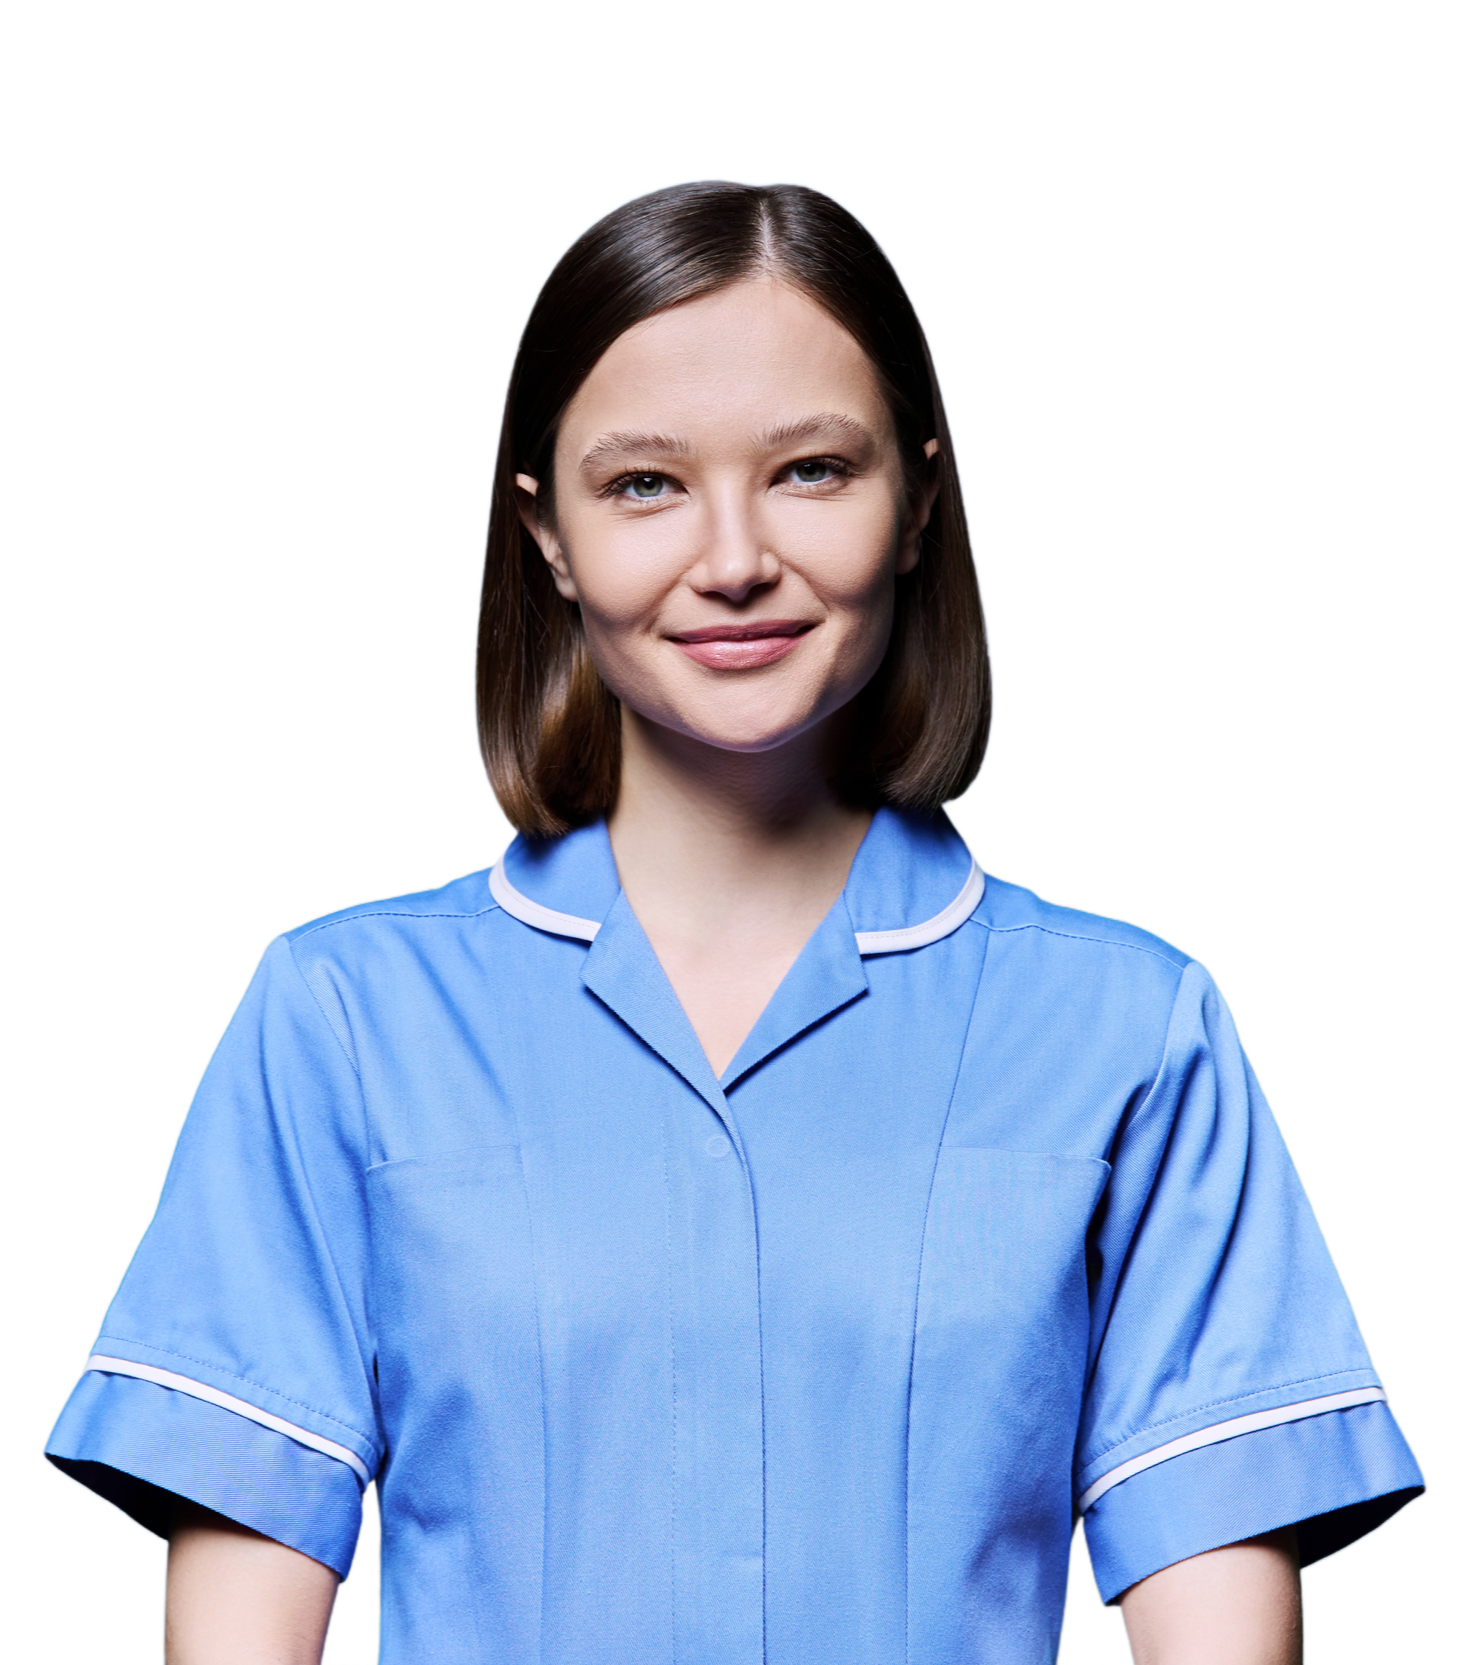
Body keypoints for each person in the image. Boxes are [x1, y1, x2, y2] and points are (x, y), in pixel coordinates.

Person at [42, 179, 1425, 1664]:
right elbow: (245, 1607)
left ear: (918, 498)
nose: (733, 558)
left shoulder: (1129, 1031)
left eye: (813, 471)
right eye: (644, 484)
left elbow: (1215, 1602)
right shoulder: (342, 1016)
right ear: (548, 535)